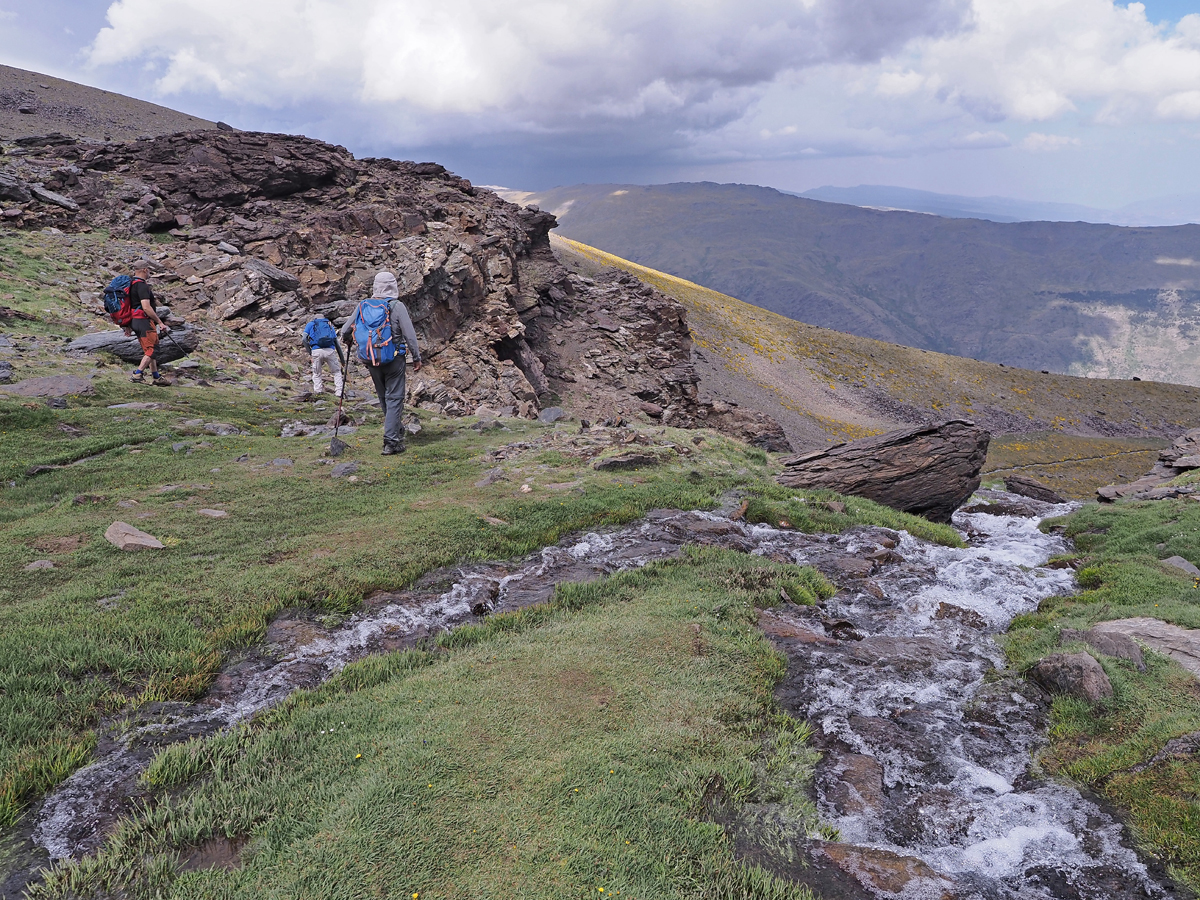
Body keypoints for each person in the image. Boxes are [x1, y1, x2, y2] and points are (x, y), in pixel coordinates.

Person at [341, 271, 421, 455]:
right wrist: (416, 357)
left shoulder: (364, 305)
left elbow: (345, 330)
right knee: (395, 398)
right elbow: (410, 335)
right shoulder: (397, 306)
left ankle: (395, 431)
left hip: (371, 360)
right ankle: (391, 442)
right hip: (394, 359)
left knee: (384, 397)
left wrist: (348, 340)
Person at [128, 260, 171, 385]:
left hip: (135, 321)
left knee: (151, 348)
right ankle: (137, 374)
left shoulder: (131, 284)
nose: (150, 272)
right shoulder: (141, 285)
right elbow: (146, 307)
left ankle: (156, 377)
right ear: (145, 270)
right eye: (149, 270)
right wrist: (160, 322)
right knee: (152, 350)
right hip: (143, 321)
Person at [302, 313, 343, 395]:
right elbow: (336, 342)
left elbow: (304, 339)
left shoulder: (311, 324)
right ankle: (339, 392)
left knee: (317, 373)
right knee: (336, 372)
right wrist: (342, 359)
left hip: (316, 351)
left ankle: (318, 392)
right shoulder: (329, 325)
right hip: (329, 351)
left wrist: (310, 351)